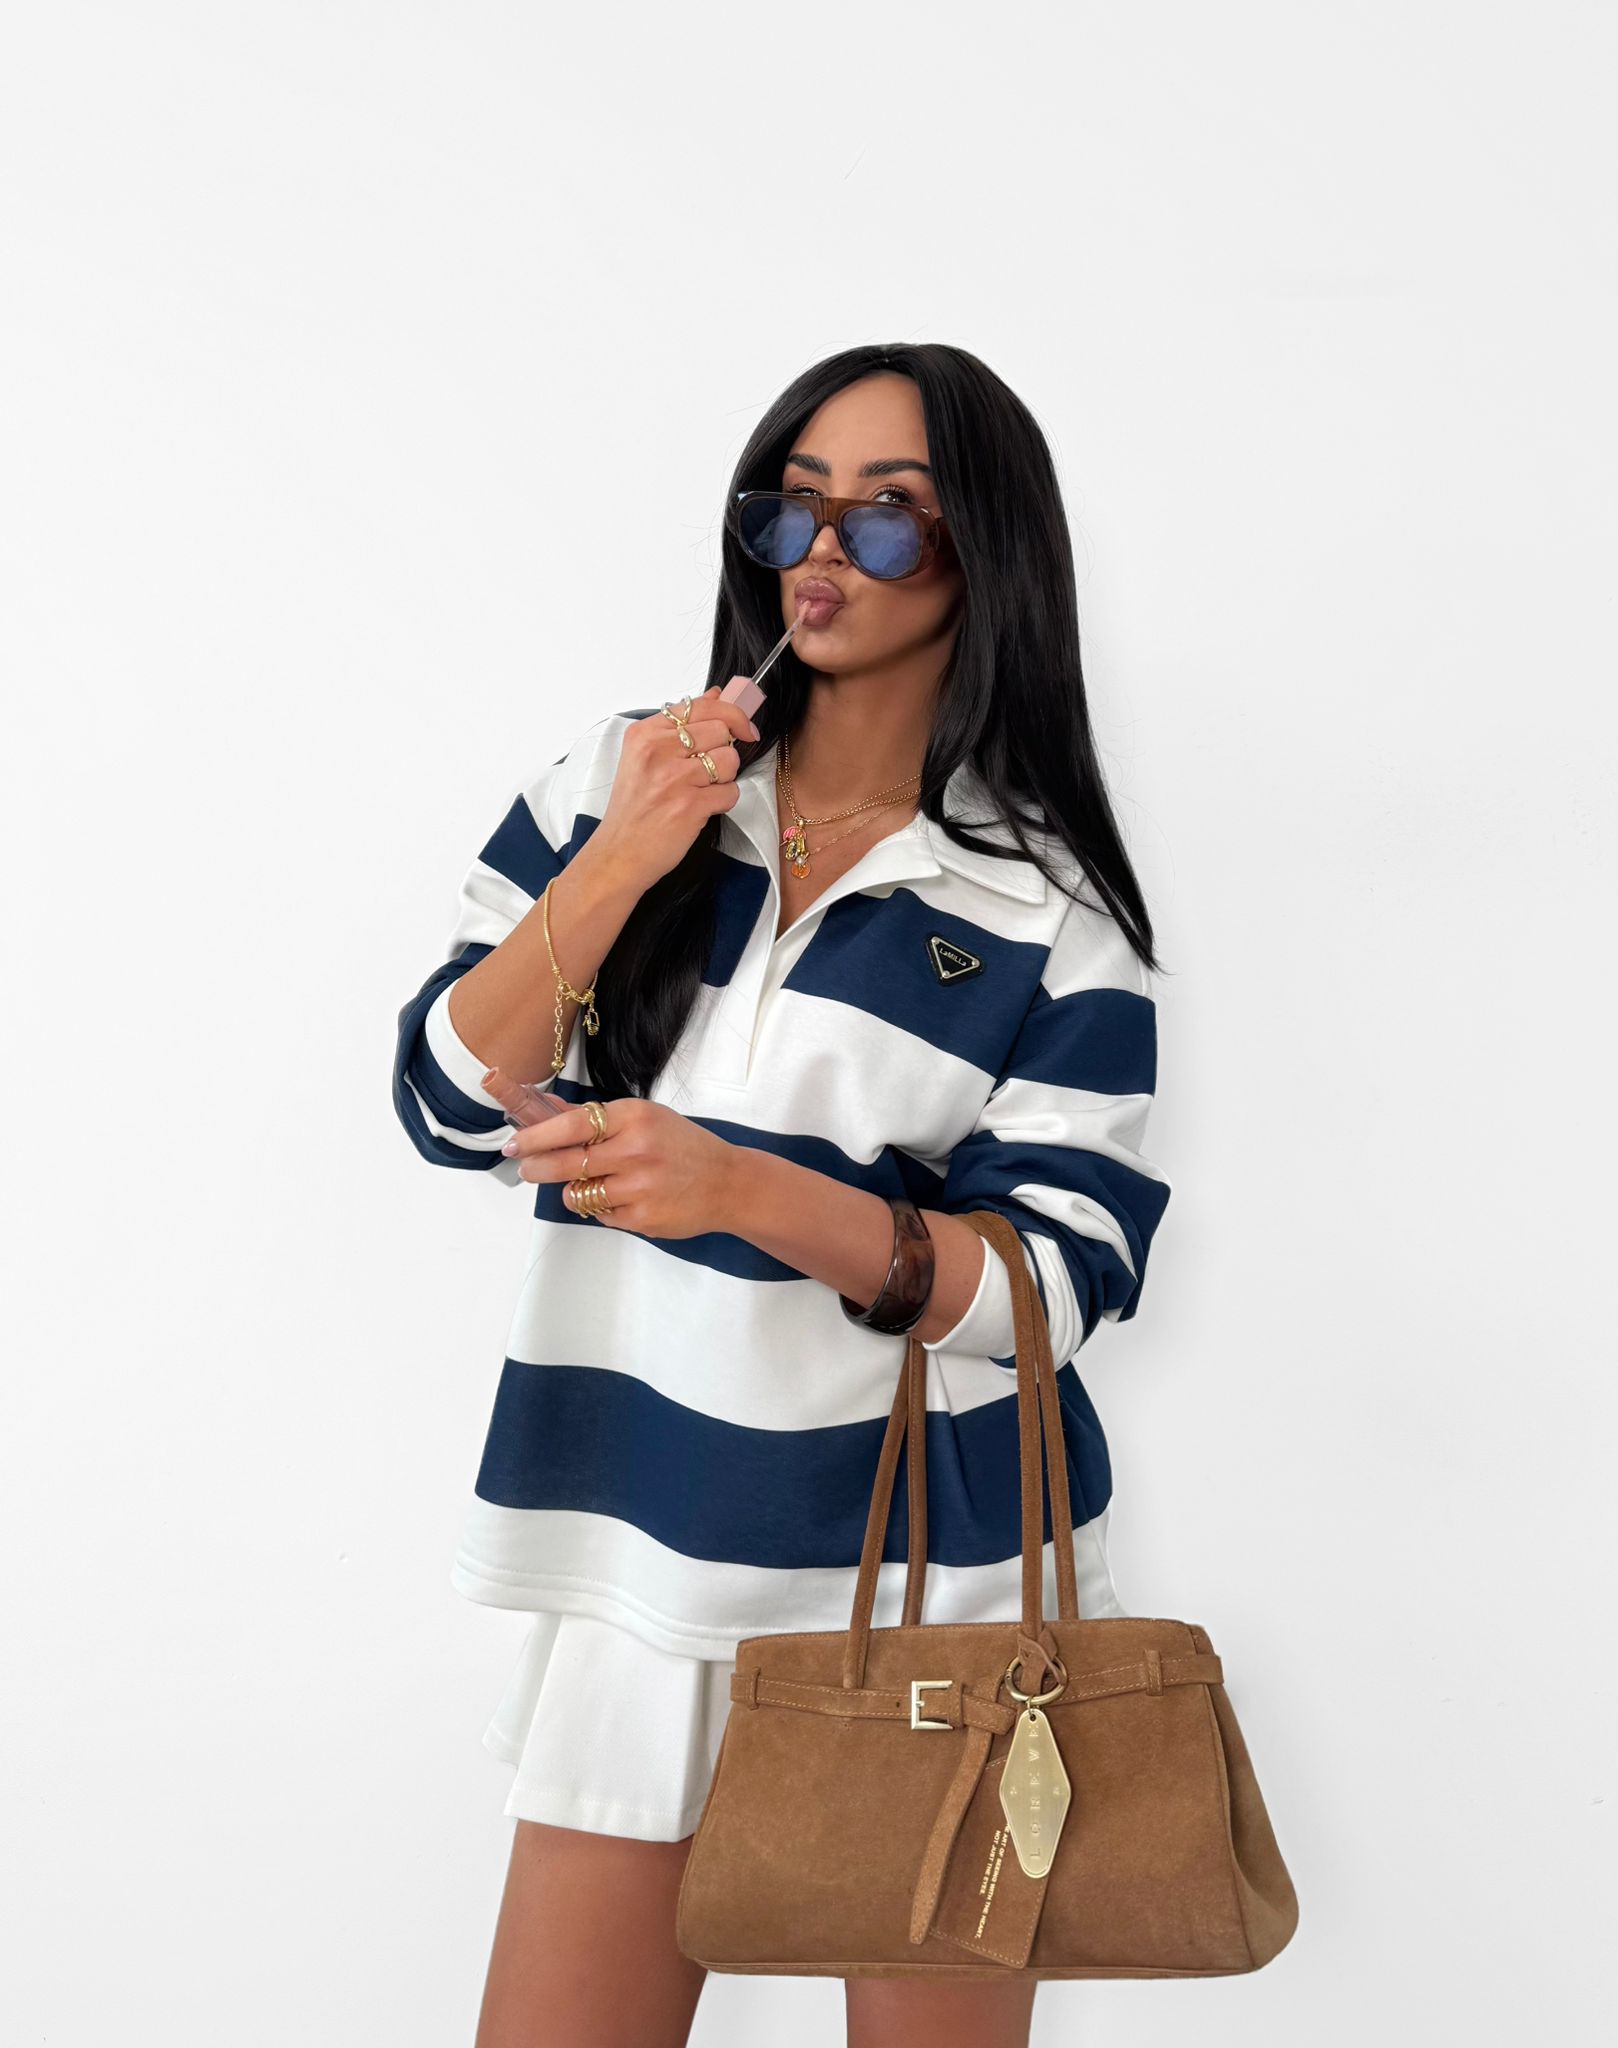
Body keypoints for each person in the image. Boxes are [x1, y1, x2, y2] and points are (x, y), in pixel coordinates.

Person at [392, 343, 1173, 2048]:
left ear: (986, 556)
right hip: (638, 1546)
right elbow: (445, 1100)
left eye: (888, 517)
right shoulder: (620, 781)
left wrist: (743, 1188)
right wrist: (625, 854)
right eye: (792, 507)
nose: (824, 551)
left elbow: (1049, 1293)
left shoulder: (1047, 912)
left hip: (935, 1594)